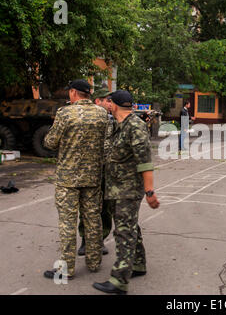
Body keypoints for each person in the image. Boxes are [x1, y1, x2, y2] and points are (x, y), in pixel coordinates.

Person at [93, 90, 160, 295]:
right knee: (129, 226)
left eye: (108, 102)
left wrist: (150, 192)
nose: (107, 105)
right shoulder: (117, 125)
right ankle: (138, 264)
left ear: (113, 104)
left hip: (128, 190)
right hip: (116, 188)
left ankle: (119, 281)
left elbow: (145, 162)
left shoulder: (135, 126)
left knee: (124, 231)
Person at [43, 79, 108, 280]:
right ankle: (94, 262)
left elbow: (51, 142)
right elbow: (106, 144)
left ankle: (67, 269)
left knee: (68, 224)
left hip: (67, 179)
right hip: (93, 177)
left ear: (73, 93)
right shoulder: (102, 113)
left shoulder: (65, 113)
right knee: (93, 219)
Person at [77, 88, 114, 256]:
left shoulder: (112, 120)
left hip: (106, 171)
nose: (110, 104)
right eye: (107, 100)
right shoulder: (83, 119)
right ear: (97, 101)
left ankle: (100, 240)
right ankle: (86, 240)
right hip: (88, 170)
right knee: (87, 206)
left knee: (105, 207)